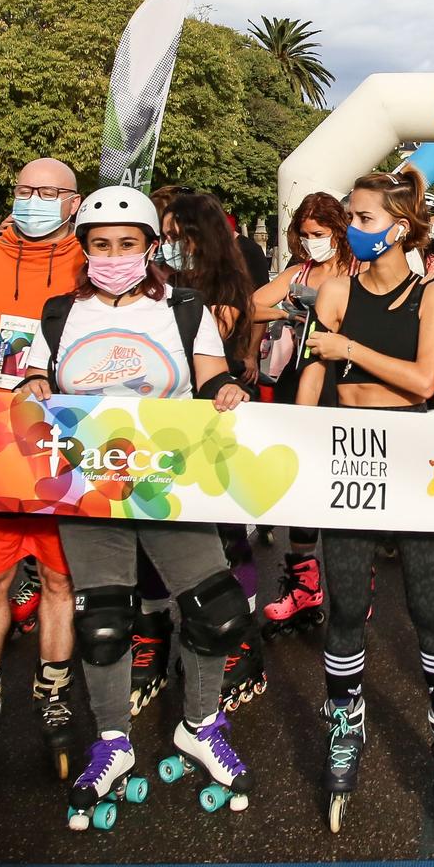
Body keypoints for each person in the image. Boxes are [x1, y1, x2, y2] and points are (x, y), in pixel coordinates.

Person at [20, 186, 254, 829]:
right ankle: (114, 742)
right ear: (85, 248)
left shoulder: (182, 308)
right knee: (103, 620)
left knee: (215, 607)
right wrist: (33, 382)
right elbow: (34, 381)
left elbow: (211, 372)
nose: (115, 255)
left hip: (168, 475)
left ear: (151, 246)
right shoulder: (59, 312)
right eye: (101, 244)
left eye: (128, 244)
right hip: (86, 480)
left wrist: (228, 386)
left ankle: (201, 725)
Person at [294, 168, 434, 836]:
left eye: (364, 219)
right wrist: (300, 430)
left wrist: (349, 347)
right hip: (348, 450)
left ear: (399, 227)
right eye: (352, 217)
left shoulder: (432, 294)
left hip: (414, 451)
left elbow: (426, 378)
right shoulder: (335, 288)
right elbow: (314, 364)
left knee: (428, 600)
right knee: (343, 598)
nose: (354, 229)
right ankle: (345, 717)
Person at [0, 158, 84, 780]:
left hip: (61, 440)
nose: (35, 200)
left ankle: (54, 693)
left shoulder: (94, 260)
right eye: (26, 190)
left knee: (61, 581)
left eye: (49, 193)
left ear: (74, 201)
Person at [165, 190, 269, 712]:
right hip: (162, 430)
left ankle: (241, 642)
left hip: (215, 419)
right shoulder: (158, 283)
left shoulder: (222, 286)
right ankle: (167, 641)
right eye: (162, 237)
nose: (167, 248)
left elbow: (202, 348)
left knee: (229, 539)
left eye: (175, 238)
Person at [253, 193, 356, 637]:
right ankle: (303, 581)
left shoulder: (360, 272)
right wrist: (288, 308)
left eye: (321, 234)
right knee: (304, 477)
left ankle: (356, 580)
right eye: (307, 234)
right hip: (299, 380)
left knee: (349, 475)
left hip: (349, 382)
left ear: (339, 231)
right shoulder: (300, 271)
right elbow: (252, 302)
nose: (313, 241)